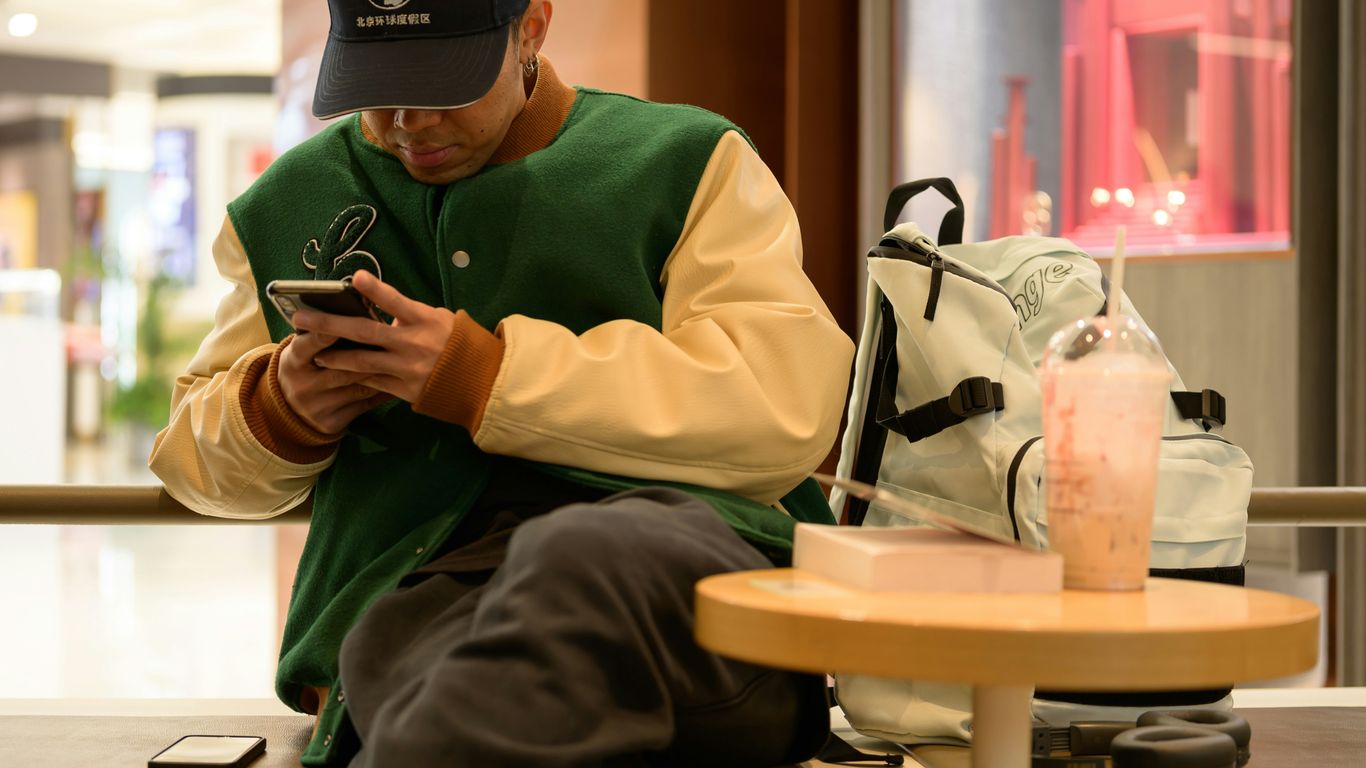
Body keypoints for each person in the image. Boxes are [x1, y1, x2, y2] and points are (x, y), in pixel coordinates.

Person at [150, 0, 854, 765]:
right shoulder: (287, 203)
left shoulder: (686, 161)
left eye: (442, 85)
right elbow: (192, 458)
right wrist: (278, 408)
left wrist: (486, 377)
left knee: (579, 564)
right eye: (376, 89)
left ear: (532, 27)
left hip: (679, 577)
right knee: (414, 654)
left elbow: (782, 404)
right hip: (414, 609)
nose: (407, 121)